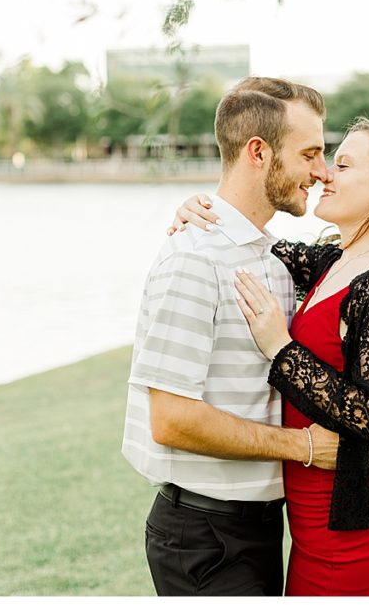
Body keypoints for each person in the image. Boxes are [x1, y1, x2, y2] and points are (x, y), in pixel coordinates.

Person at [168, 117, 369, 596]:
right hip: (307, 506)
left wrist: (281, 347)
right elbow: (254, 242)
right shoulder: (335, 259)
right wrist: (201, 208)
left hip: (344, 519)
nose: (325, 175)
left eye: (342, 163)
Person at [121, 76, 343, 596]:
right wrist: (303, 446)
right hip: (206, 535)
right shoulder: (195, 259)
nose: (321, 171)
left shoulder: (269, 255)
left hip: (257, 526)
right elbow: (172, 420)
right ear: (258, 152)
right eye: (310, 153)